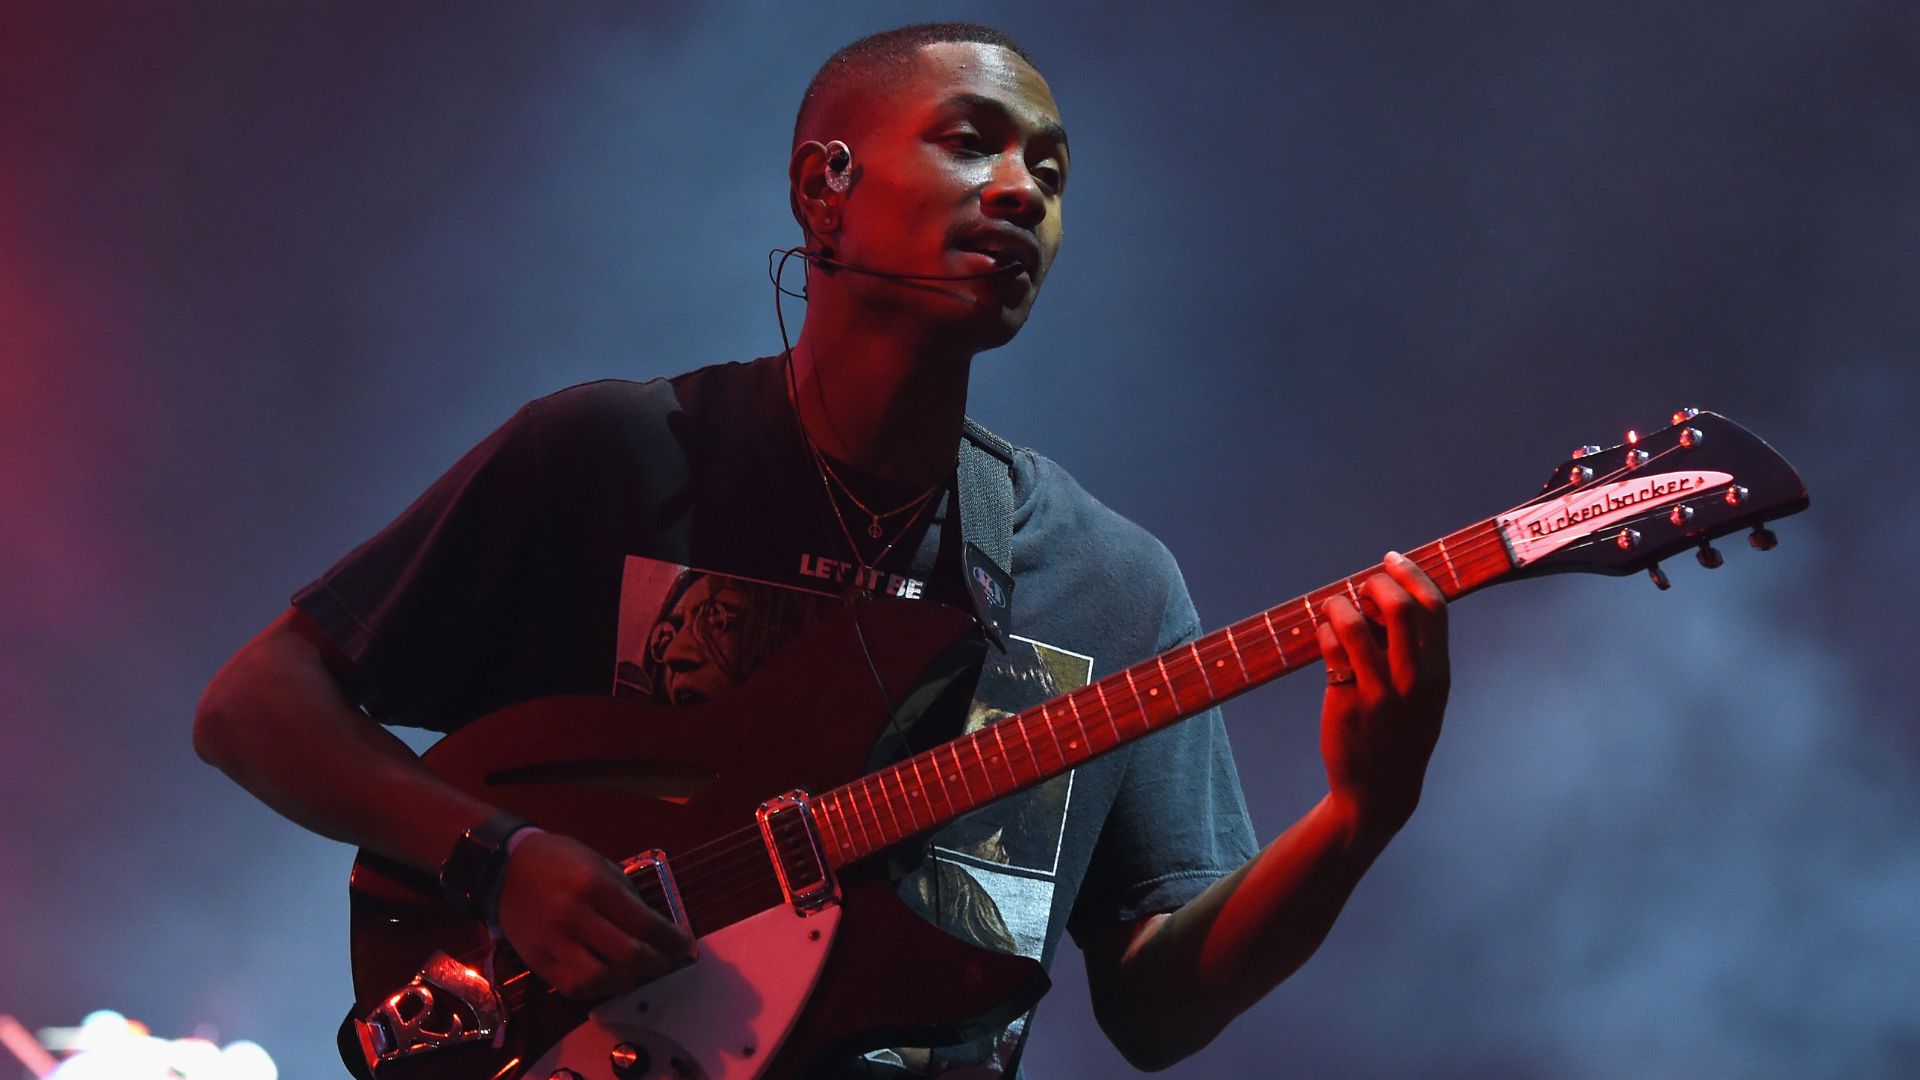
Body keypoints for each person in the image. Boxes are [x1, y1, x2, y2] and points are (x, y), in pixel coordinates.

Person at [193, 22, 1450, 1076]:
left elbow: (1157, 1008)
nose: (1024, 193)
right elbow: (257, 705)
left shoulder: (1112, 586)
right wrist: (497, 855)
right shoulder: (611, 459)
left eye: (1054, 174)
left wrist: (1356, 817)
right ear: (821, 188)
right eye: (972, 143)